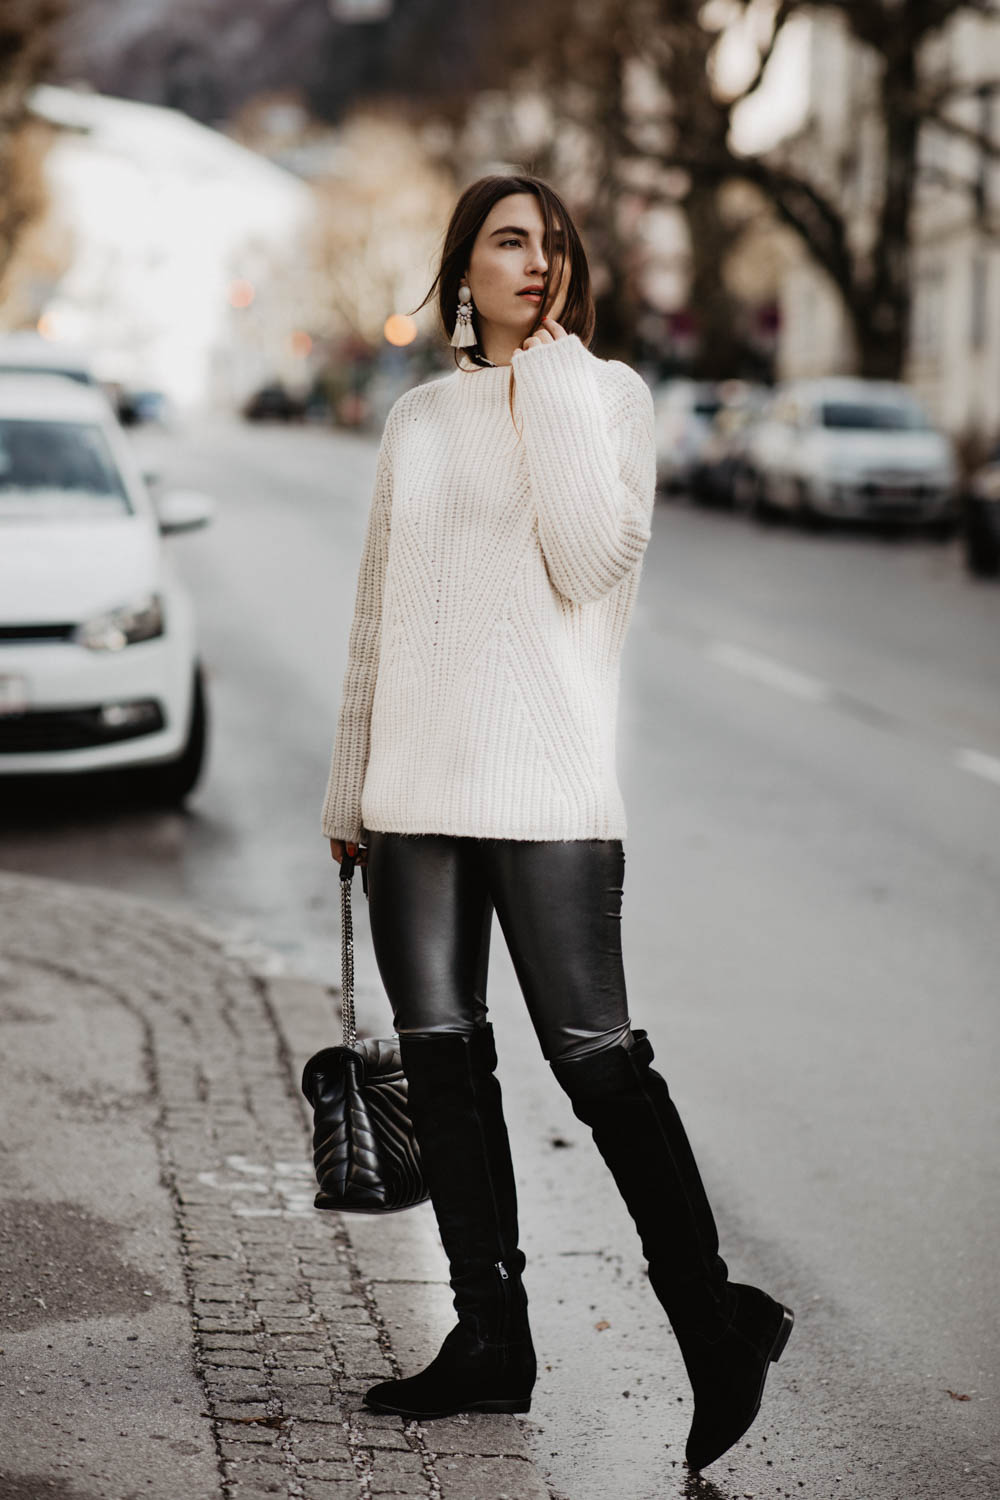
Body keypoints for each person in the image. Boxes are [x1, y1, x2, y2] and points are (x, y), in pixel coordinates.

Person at [321, 173, 793, 1473]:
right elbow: (378, 615)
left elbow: (591, 557)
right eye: (509, 241)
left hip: (547, 797)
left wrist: (552, 383)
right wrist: (345, 788)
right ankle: (491, 1338)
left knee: (596, 1058)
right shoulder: (417, 420)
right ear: (463, 264)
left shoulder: (609, 400)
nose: (538, 262)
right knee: (443, 1059)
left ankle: (714, 1320)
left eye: (554, 244)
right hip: (413, 793)